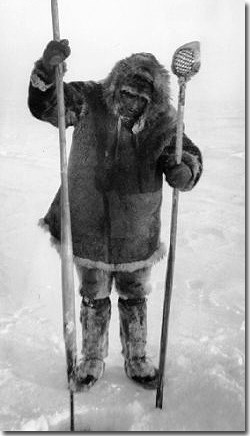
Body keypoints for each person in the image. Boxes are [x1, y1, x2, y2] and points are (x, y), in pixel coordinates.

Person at [28, 40, 203, 391]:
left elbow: (183, 154)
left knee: (134, 295)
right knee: (93, 295)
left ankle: (137, 359)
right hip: (88, 221)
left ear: (152, 100)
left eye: (140, 98)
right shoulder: (90, 100)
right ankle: (91, 360)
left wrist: (186, 169)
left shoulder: (165, 122)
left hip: (135, 230)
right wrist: (47, 72)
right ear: (115, 87)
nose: (131, 102)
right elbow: (49, 107)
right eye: (126, 93)